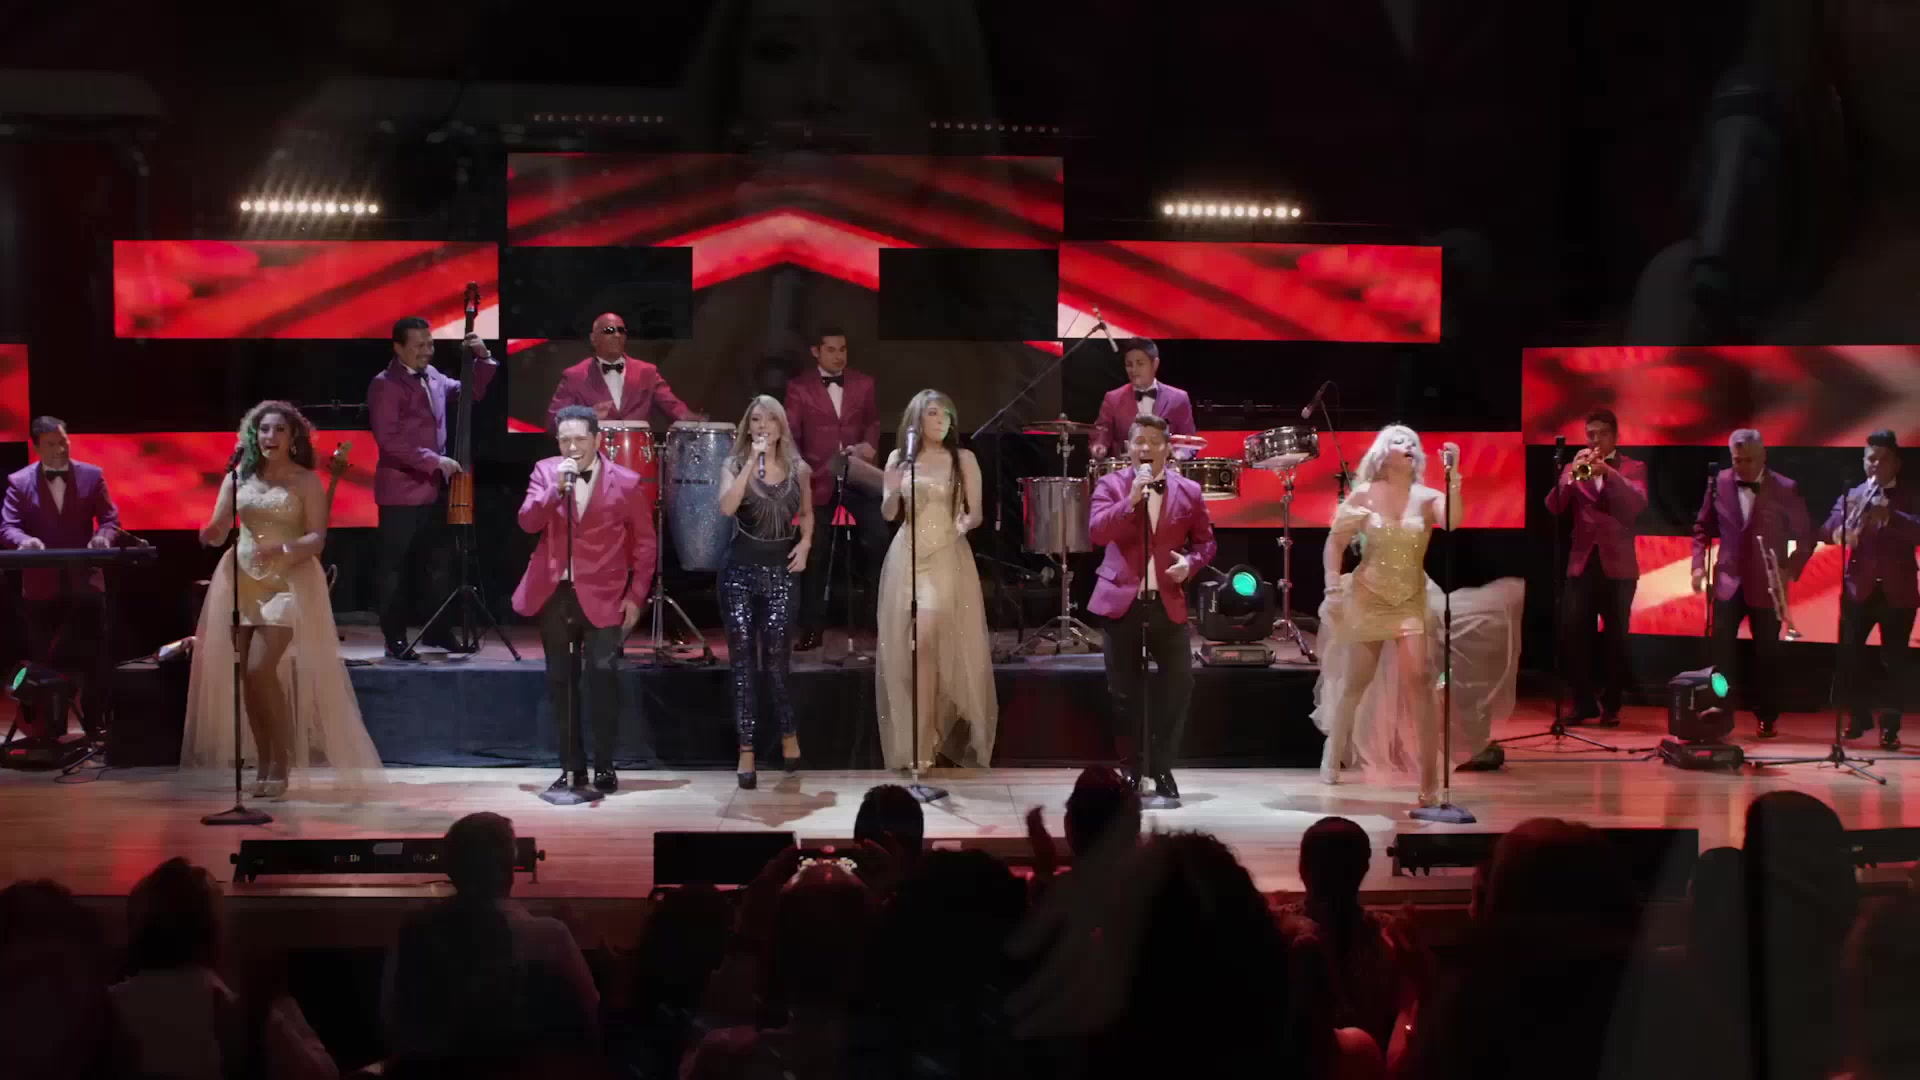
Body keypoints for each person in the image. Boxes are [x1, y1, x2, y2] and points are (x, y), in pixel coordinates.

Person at [181, 401, 384, 797]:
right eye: (263, 430)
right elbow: (219, 529)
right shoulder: (238, 478)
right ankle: (265, 760)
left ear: (292, 439)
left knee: (260, 667)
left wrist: (282, 549)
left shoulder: (305, 481)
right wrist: (208, 532)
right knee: (248, 677)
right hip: (242, 579)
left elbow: (317, 538)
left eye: (278, 430)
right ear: (252, 436)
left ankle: (283, 758)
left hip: (288, 580)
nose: (269, 437)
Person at [1314, 424, 1464, 807]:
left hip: (1410, 599)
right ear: (1384, 452)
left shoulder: (1428, 497)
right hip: (1369, 596)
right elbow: (1335, 542)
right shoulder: (1364, 493)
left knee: (1421, 683)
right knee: (1356, 681)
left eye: (1413, 441)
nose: (1409, 445)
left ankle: (1429, 783)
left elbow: (1453, 521)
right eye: (1400, 440)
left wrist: (1454, 476)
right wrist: (1332, 586)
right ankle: (1334, 749)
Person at [511, 405, 656, 797]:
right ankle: (571, 767)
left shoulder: (625, 481)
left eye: (579, 439)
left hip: (605, 594)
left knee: (603, 676)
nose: (572, 447)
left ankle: (604, 764)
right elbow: (527, 521)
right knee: (561, 681)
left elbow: (645, 543)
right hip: (555, 592)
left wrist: (636, 596)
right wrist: (555, 489)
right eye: (565, 440)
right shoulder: (545, 472)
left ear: (596, 439)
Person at [383, 813, 599, 1066]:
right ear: (511, 866)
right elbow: (592, 1014)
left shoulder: (415, 929)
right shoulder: (548, 936)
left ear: (450, 868)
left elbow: (392, 1017)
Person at [1087, 413, 1217, 800]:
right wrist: (1130, 500)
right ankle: (1131, 770)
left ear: (1167, 449)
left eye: (1154, 442)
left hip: (1166, 602)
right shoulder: (1110, 484)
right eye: (1139, 441)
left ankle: (1161, 767)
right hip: (1121, 602)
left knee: (1179, 684)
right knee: (1123, 693)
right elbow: (1097, 532)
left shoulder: (1189, 491)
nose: (1146, 448)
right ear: (1128, 447)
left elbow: (1207, 543)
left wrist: (1190, 564)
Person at [876, 389, 995, 771]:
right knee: (911, 651)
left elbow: (976, 514)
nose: (941, 421)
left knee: (925, 641)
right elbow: (889, 512)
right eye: (933, 413)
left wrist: (961, 525)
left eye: (946, 415)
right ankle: (920, 740)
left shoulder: (963, 459)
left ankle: (926, 740)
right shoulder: (899, 458)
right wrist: (892, 486)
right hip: (907, 556)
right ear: (916, 419)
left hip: (945, 555)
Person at [367, 317, 496, 661]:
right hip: (401, 491)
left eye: (430, 344)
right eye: (419, 346)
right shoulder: (384, 385)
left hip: (434, 489)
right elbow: (389, 440)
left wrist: (483, 358)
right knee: (395, 570)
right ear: (398, 347)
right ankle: (394, 638)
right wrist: (433, 460)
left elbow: (470, 392)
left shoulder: (434, 376)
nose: (427, 351)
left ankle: (438, 631)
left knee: (439, 566)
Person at [0, 416, 121, 734]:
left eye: (63, 442)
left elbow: (110, 520)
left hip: (86, 582)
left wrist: (103, 538)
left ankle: (96, 730)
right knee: (44, 660)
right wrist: (24, 541)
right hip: (41, 586)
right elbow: (8, 526)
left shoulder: (92, 475)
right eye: (52, 444)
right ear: (37, 447)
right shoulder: (19, 481)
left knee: (94, 659)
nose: (60, 449)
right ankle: (48, 731)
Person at [1691, 429, 1814, 739]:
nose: (1742, 467)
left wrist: (1790, 570)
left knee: (1766, 655)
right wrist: (1697, 566)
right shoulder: (1718, 483)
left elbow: (1806, 536)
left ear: (1763, 457)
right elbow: (1702, 527)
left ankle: (1767, 716)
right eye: (1737, 460)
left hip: (1766, 585)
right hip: (1727, 582)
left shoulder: (1785, 487)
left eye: (1748, 460)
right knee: (1721, 656)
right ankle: (1719, 709)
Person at [716, 396, 813, 788]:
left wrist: (805, 544)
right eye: (756, 419)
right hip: (739, 572)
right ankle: (747, 749)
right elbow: (726, 508)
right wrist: (748, 465)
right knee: (742, 664)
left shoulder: (798, 469)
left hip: (780, 573)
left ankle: (788, 731)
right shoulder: (732, 464)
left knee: (776, 663)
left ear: (781, 426)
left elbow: (807, 514)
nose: (762, 426)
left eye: (770, 419)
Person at [1543, 407, 1647, 726]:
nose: (1595, 440)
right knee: (1573, 632)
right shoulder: (1575, 466)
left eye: (1602, 434)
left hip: (1619, 565)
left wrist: (1609, 474)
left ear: (1615, 436)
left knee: (1616, 638)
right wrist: (1569, 476)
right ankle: (1583, 702)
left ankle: (1611, 704)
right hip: (1583, 562)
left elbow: (1638, 503)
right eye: (1590, 434)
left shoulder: (1633, 467)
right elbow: (1553, 506)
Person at [784, 326, 885, 652]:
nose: (839, 356)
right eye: (831, 349)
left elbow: (872, 421)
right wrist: (801, 470)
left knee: (879, 539)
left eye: (842, 349)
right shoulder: (799, 387)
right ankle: (812, 628)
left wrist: (869, 446)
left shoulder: (864, 383)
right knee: (816, 551)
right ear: (816, 352)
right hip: (819, 480)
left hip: (857, 477)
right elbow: (791, 434)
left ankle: (875, 622)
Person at [1820, 430, 1920, 750]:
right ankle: (1858, 715)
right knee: (1849, 655)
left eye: (1882, 459)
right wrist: (1839, 530)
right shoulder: (1853, 494)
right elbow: (1828, 527)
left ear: (1896, 464)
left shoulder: (1911, 495)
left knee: (1895, 662)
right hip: (1858, 588)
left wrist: (1891, 517)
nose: (1875, 465)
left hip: (1898, 590)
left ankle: (1890, 727)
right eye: (1870, 459)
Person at [545, 311, 699, 429]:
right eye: (609, 330)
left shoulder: (647, 372)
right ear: (593, 338)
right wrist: (588, 415)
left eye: (621, 330)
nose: (617, 335)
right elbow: (553, 421)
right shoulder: (574, 376)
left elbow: (674, 407)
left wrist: (695, 420)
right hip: (595, 455)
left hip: (637, 453)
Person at [1087, 338, 1199, 464]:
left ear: (1155, 364)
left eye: (1140, 364)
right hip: (1126, 472)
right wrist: (1098, 446)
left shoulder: (1178, 398)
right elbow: (1101, 433)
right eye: (1129, 365)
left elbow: (1189, 441)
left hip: (1166, 470)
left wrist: (1178, 455)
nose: (1133, 370)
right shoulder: (1112, 398)